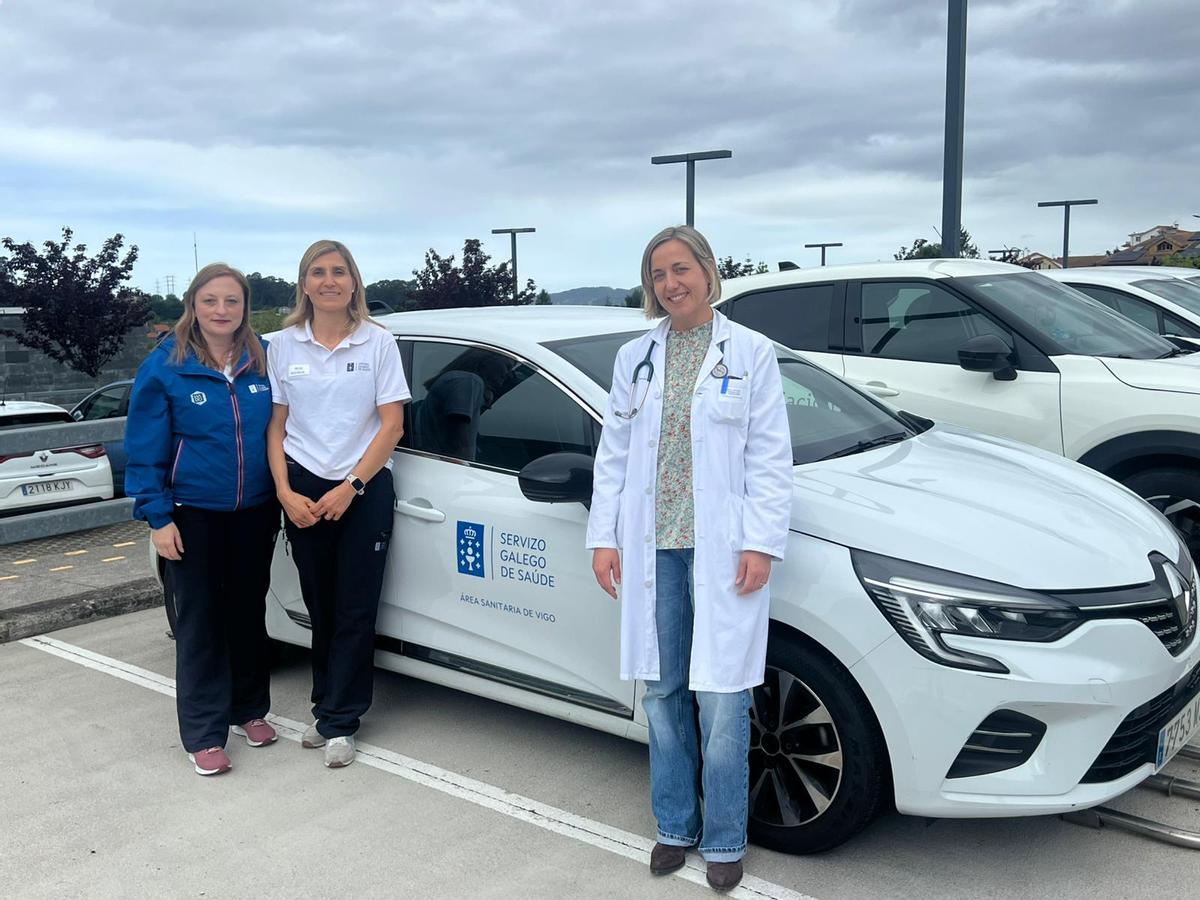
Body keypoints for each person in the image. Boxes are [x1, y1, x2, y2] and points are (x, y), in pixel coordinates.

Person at [587, 225, 792, 892]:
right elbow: (614, 455)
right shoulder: (636, 357)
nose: (670, 283)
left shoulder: (751, 352)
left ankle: (726, 837)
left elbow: (769, 458)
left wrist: (761, 542)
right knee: (667, 691)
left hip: (724, 550)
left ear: (707, 270)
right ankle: (675, 825)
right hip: (655, 550)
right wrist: (605, 537)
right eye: (658, 274)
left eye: (681, 268)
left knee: (725, 697)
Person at [125, 263, 280, 777]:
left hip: (255, 511)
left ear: (245, 308)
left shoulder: (261, 361)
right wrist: (156, 515)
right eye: (211, 301)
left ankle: (248, 709)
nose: (221, 311)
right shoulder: (165, 366)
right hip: (191, 515)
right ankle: (204, 732)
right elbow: (145, 448)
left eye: (232, 302)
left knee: (246, 614)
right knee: (200, 623)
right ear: (193, 304)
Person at [266, 239, 409, 769]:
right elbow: (275, 427)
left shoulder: (377, 343)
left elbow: (392, 424)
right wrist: (284, 491)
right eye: (318, 272)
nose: (329, 281)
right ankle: (325, 706)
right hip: (302, 485)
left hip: (362, 487)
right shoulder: (281, 345)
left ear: (354, 282)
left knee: (354, 605)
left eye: (339, 272)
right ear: (304, 284)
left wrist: (351, 486)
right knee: (319, 602)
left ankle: (341, 722)